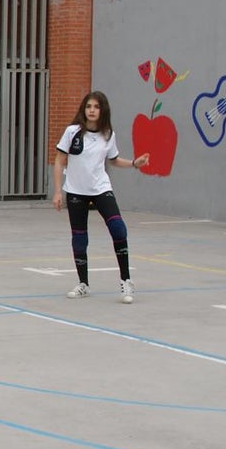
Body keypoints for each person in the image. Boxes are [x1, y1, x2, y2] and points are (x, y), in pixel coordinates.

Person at [52, 91, 149, 303]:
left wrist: (134, 163)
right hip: (76, 191)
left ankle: (126, 281)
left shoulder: (108, 134)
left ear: (102, 110)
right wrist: (58, 191)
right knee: (80, 239)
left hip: (101, 189)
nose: (92, 110)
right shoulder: (72, 132)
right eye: (88, 107)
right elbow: (60, 161)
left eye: (96, 107)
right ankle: (83, 284)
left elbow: (113, 160)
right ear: (84, 110)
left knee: (118, 229)